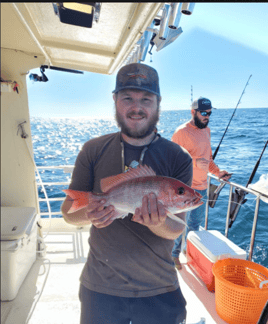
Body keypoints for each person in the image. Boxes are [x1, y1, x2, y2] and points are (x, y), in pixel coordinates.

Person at [61, 63, 193, 324]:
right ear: (115, 100)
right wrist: (91, 213)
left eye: (146, 99)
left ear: (158, 103)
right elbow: (68, 214)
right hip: (101, 288)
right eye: (127, 98)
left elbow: (176, 229)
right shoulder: (93, 149)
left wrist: (158, 223)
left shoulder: (179, 157)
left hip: (160, 286)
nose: (137, 107)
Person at [171, 97, 231, 270]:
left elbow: (208, 159)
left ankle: (189, 252)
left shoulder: (207, 131)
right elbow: (172, 160)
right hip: (185, 190)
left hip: (202, 188)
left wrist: (218, 172)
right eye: (204, 113)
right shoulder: (181, 132)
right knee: (178, 225)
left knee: (194, 226)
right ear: (193, 112)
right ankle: (173, 254)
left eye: (209, 113)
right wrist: (194, 162)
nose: (207, 117)